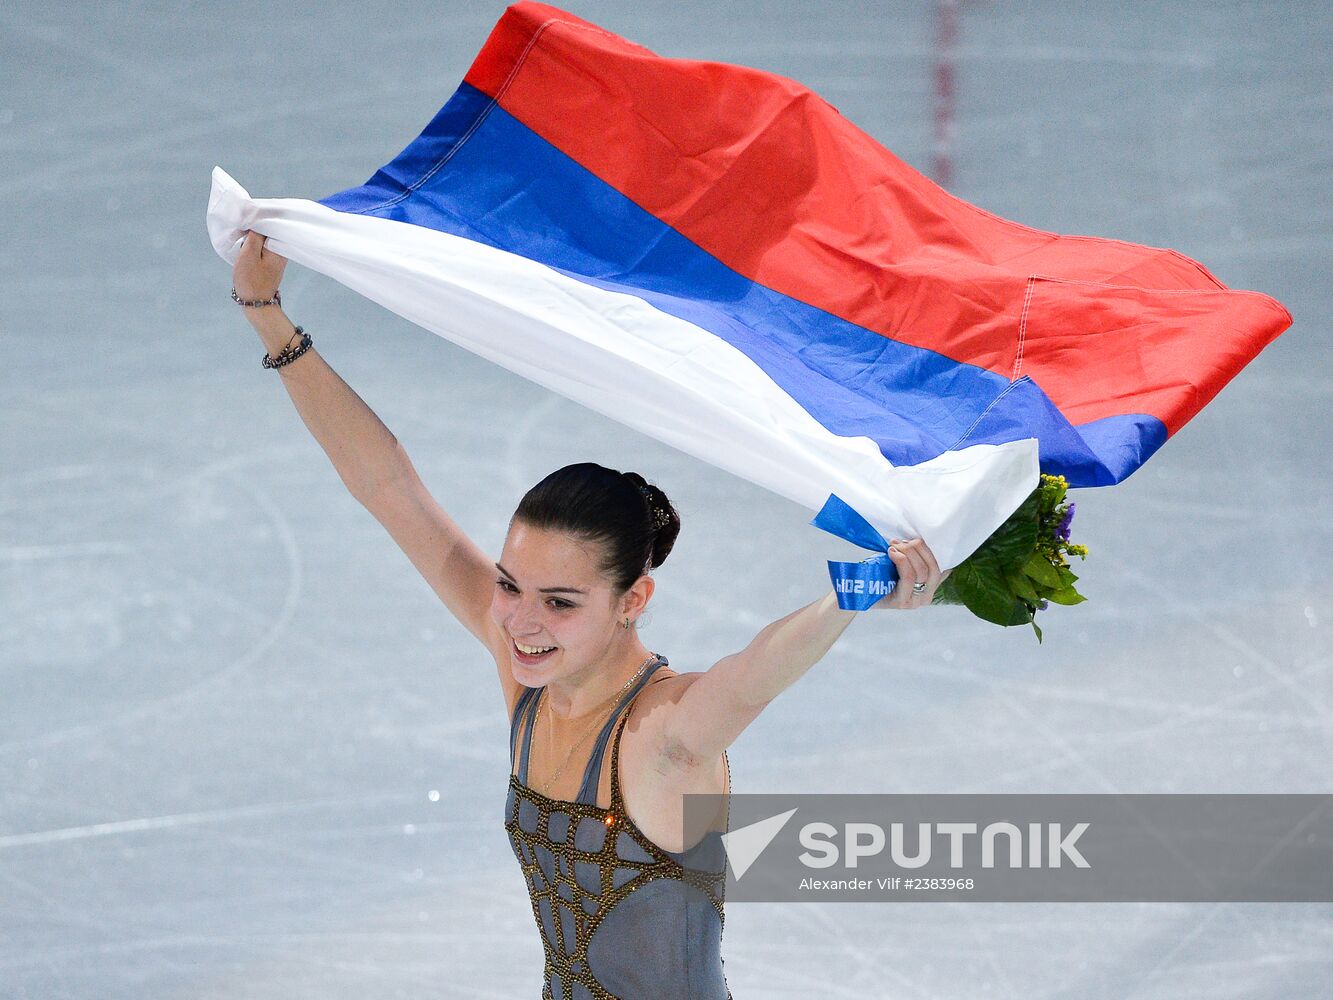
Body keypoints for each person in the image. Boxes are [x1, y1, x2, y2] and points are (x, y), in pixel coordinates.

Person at [231, 230, 950, 999]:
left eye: (560, 602)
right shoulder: (531, 680)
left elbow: (753, 675)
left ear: (631, 601)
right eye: (509, 585)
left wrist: (852, 597)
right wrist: (269, 318)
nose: (516, 620)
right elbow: (390, 491)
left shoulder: (665, 734)